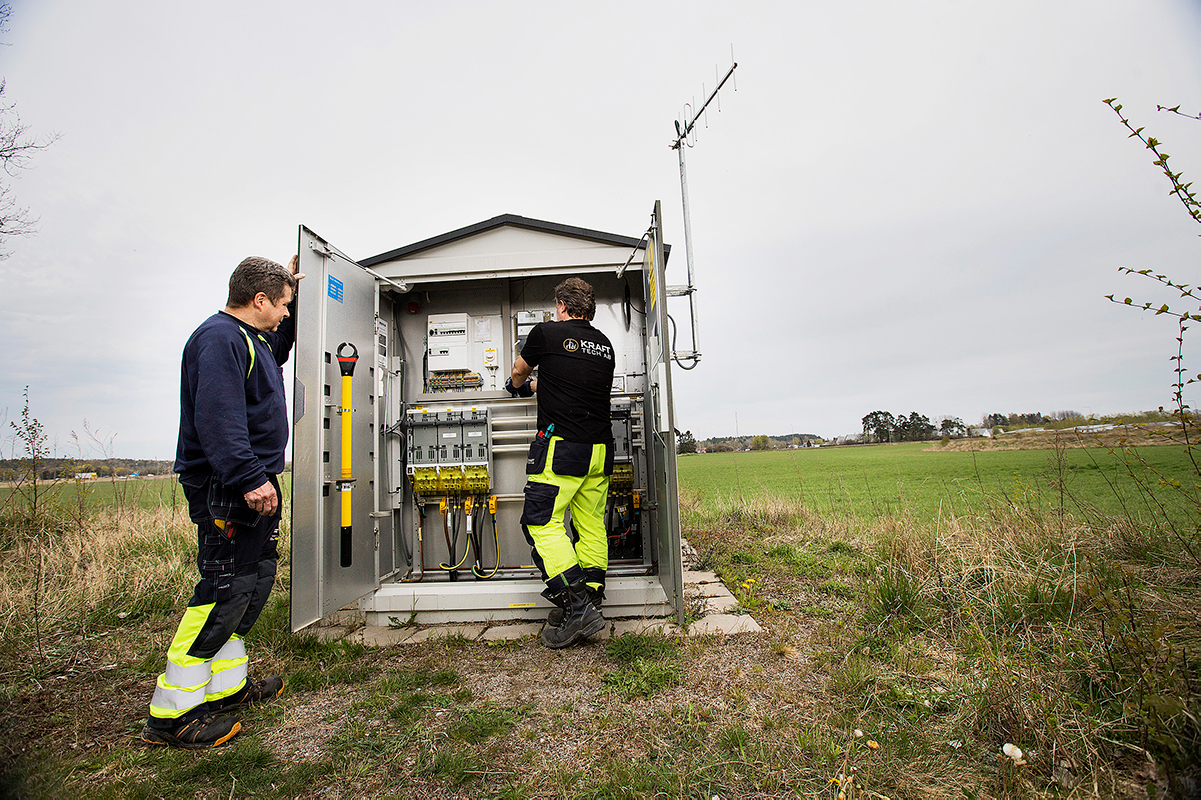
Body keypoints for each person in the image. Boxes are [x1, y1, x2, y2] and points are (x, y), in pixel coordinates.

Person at [140, 255, 303, 749]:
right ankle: (171, 716)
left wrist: (297, 283)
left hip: (249, 481)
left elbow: (279, 345)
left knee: (254, 583)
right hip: (228, 486)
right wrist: (250, 478)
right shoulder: (218, 340)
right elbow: (219, 416)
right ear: (259, 301)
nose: (285, 312)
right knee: (222, 589)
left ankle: (226, 689)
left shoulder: (251, 340)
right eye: (283, 304)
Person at [506, 277, 615, 649]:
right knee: (589, 523)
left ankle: (577, 605)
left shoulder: (545, 334)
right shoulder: (604, 345)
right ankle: (591, 601)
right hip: (599, 451)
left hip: (562, 450)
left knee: (541, 522)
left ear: (562, 306)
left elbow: (520, 373)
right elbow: (566, 384)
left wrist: (516, 383)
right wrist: (539, 387)